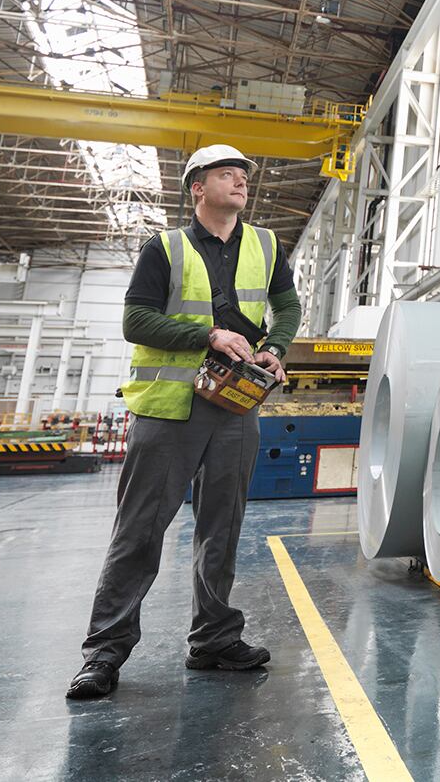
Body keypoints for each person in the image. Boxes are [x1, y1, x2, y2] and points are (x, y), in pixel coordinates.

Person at [66, 144, 302, 700]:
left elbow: (286, 305)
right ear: (197, 186)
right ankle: (104, 651)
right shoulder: (164, 247)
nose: (241, 181)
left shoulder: (266, 244)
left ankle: (214, 639)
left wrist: (276, 347)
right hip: (170, 409)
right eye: (227, 173)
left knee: (222, 527)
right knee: (141, 529)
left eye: (244, 173)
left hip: (236, 404)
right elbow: (136, 320)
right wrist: (208, 336)